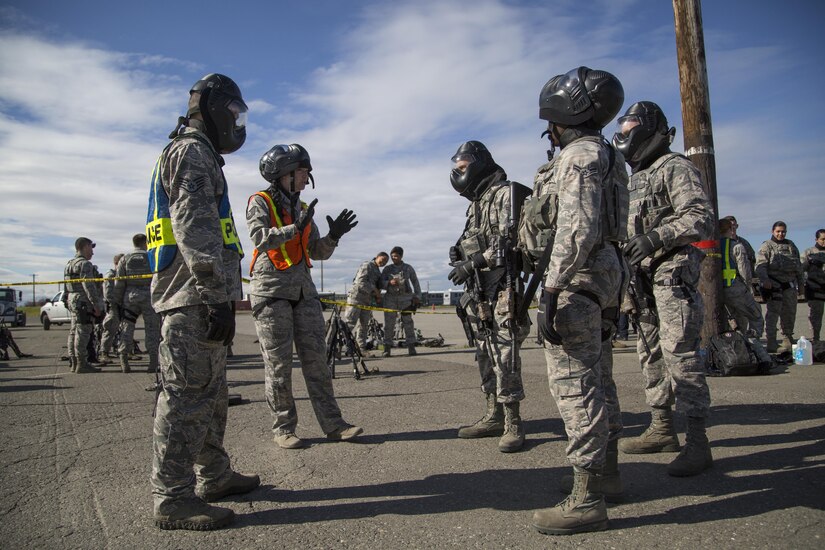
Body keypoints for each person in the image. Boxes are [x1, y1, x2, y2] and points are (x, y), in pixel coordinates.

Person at [147, 73, 259, 531]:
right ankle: (172, 498)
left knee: (211, 396)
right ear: (212, 109)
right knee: (186, 397)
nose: (236, 122)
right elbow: (194, 226)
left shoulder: (198, 153)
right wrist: (215, 294)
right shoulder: (191, 152)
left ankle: (214, 475)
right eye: (233, 113)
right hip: (193, 297)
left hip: (203, 296)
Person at [528, 67, 627, 535]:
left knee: (574, 386)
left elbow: (576, 227)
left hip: (578, 277)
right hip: (606, 277)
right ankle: (607, 473)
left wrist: (550, 289)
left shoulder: (577, 157)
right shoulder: (610, 156)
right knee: (600, 376)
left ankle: (586, 498)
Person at [611, 101, 714, 478]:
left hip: (671, 278)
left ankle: (698, 443)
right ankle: (661, 428)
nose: (623, 131)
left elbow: (701, 217)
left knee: (680, 357)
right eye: (622, 125)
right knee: (650, 355)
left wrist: (657, 237)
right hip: (640, 284)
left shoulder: (675, 167)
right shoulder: (634, 177)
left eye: (631, 124)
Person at [248, 143, 362, 451]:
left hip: (303, 291)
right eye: (302, 171)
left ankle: (334, 425)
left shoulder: (302, 209)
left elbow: (315, 251)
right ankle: (284, 428)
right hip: (271, 292)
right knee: (278, 366)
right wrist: (292, 227)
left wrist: (334, 236)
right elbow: (260, 238)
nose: (306, 177)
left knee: (317, 363)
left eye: (307, 172)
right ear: (282, 174)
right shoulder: (259, 201)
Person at [448, 140, 530, 453]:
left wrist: (475, 261)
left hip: (503, 286)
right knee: (484, 353)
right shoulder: (476, 203)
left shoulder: (505, 193)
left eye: (464, 164)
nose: (459, 170)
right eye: (456, 166)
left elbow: (510, 240)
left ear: (481, 162)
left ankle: (513, 422)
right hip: (479, 291)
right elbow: (477, 239)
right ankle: (493, 414)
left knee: (505, 355)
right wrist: (460, 254)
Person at [719, 219, 772, 367]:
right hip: (735, 288)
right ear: (730, 229)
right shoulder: (736, 246)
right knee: (756, 316)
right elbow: (745, 273)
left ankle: (739, 353)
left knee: (736, 320)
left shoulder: (713, 246)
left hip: (718, 291)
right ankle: (759, 352)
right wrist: (747, 288)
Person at [111, 234, 161, 373]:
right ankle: (152, 363)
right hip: (149, 297)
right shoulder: (151, 257)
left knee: (127, 328)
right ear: (145, 242)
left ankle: (124, 360)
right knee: (152, 329)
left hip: (130, 298)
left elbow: (119, 282)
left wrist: (117, 301)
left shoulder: (125, 259)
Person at [755, 221, 804, 352]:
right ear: (773, 231)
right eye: (778, 231)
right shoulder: (767, 246)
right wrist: (765, 280)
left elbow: (798, 266)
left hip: (790, 286)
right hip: (774, 285)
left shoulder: (791, 245)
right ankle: (771, 340)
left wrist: (801, 284)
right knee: (773, 314)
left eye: (783, 231)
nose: (780, 234)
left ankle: (788, 337)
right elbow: (760, 265)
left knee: (790, 313)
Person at [64, 237, 104, 374]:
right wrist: (96, 305)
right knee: (82, 333)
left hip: (73, 299)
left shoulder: (69, 264)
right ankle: (82, 363)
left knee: (74, 332)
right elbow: (89, 286)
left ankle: (74, 362)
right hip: (83, 302)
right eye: (91, 248)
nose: (92, 252)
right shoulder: (85, 264)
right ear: (85, 246)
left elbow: (66, 287)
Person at [343, 252, 389, 352]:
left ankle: (361, 348)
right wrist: (375, 291)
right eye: (383, 259)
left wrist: (378, 294)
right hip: (356, 298)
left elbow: (378, 285)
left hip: (367, 301)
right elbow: (361, 282)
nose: (384, 262)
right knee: (350, 323)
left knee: (364, 325)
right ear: (377, 257)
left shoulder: (377, 271)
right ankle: (336, 347)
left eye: (386, 261)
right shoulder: (367, 265)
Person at [380, 247, 421, 356]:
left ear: (401, 256)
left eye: (396, 256)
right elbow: (380, 282)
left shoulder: (408, 268)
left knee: (408, 323)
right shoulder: (387, 269)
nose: (394, 258)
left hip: (406, 299)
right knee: (389, 324)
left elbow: (415, 282)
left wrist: (417, 296)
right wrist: (389, 282)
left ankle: (411, 347)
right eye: (392, 256)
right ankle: (387, 348)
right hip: (390, 299)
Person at [100, 253, 124, 362]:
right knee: (110, 329)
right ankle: (104, 353)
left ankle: (125, 351)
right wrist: (115, 302)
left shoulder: (122, 274)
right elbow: (108, 293)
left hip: (122, 305)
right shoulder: (110, 274)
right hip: (113, 306)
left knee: (125, 330)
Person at [802, 230, 825, 342]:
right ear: (816, 239)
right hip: (816, 289)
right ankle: (815, 340)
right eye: (823, 239)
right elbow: (800, 268)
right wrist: (809, 262)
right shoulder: (809, 252)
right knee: (816, 317)